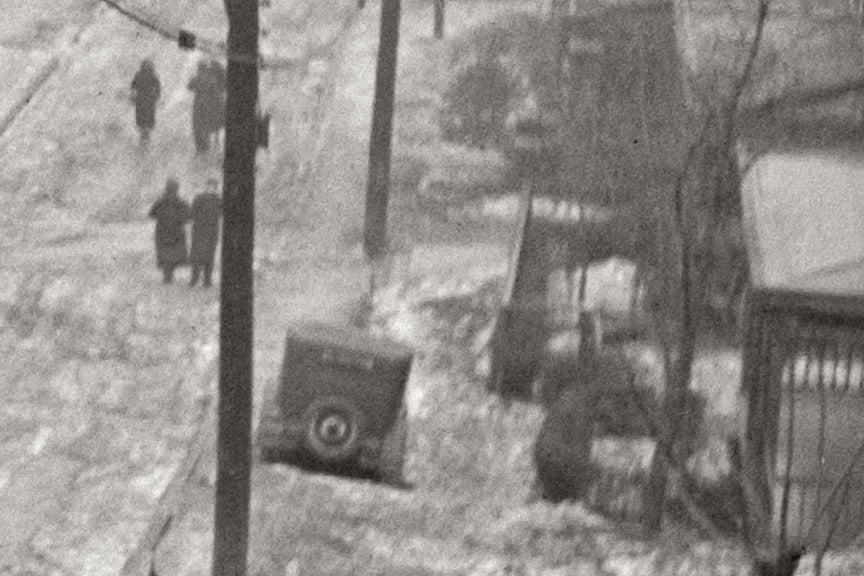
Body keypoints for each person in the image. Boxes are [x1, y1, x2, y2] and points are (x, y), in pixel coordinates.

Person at [149, 178, 190, 284]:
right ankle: (170, 275)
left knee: (165, 253)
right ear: (177, 189)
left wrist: (162, 216)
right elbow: (189, 216)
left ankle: (167, 276)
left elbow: (151, 214)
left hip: (162, 231)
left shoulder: (160, 201)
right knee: (174, 253)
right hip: (177, 232)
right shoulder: (181, 202)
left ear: (166, 188)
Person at [188, 178, 222, 288]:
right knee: (209, 256)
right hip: (210, 231)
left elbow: (191, 214)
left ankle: (195, 279)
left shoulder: (199, 198)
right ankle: (206, 280)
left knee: (197, 255)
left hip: (200, 231)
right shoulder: (218, 200)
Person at [187, 60, 221, 154]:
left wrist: (192, 80)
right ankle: (206, 146)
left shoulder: (197, 78)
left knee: (197, 126)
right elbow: (216, 94)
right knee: (206, 125)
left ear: (199, 68)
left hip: (198, 106)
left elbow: (189, 87)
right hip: (208, 107)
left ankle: (199, 147)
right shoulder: (211, 79)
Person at [130, 59, 161, 147]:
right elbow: (158, 88)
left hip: (141, 100)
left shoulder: (139, 75)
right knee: (148, 119)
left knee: (142, 120)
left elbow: (133, 87)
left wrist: (133, 97)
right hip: (149, 101)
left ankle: (144, 137)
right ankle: (145, 137)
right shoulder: (153, 76)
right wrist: (156, 97)